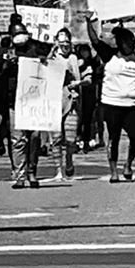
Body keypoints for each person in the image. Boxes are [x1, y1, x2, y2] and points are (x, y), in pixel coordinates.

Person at [86, 15, 135, 183]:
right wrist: (89, 22)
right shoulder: (110, 55)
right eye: (126, 43)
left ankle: (128, 164)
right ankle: (114, 171)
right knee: (114, 137)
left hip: (133, 104)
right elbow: (94, 41)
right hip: (112, 103)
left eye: (132, 43)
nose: (130, 46)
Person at [8, 27, 48, 189]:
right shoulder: (7, 52)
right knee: (18, 140)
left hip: (34, 100)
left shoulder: (35, 49)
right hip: (14, 102)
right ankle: (20, 175)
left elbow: (47, 59)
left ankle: (32, 171)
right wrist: (7, 63)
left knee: (34, 137)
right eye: (16, 34)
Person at [49, 28, 82, 182]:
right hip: (54, 101)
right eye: (61, 42)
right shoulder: (51, 58)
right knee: (56, 138)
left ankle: (69, 159)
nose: (64, 45)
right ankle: (58, 169)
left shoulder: (73, 58)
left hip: (71, 101)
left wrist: (74, 83)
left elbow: (78, 78)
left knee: (70, 138)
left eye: (67, 42)